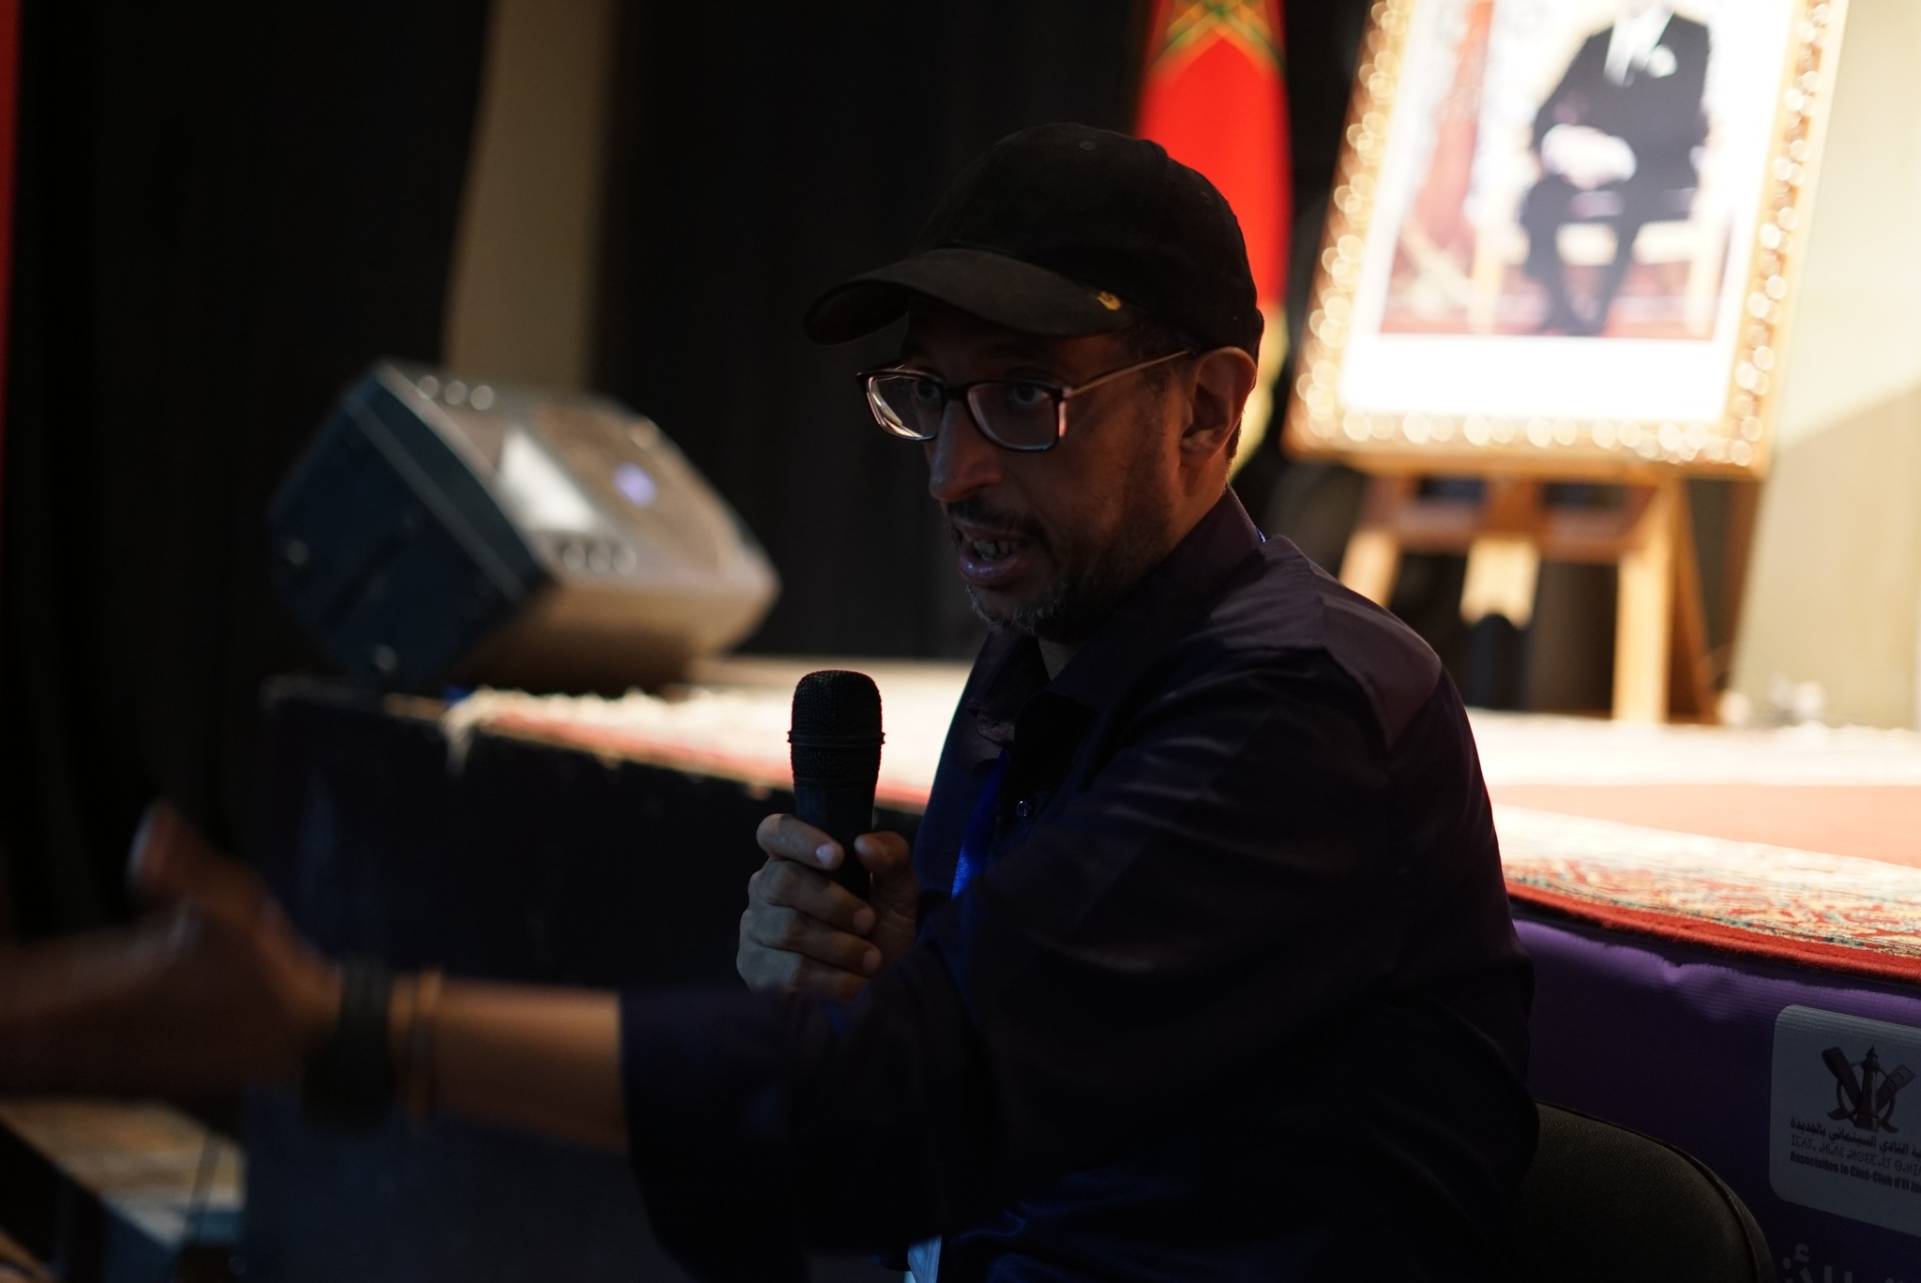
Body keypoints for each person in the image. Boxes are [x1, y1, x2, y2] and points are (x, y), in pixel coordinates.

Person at [1, 124, 1534, 1281]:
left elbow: (917, 1101)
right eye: (931, 397)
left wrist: (348, 1026)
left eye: (1024, 396)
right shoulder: (1046, 647)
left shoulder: (1299, 707)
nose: (955, 471)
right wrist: (899, 965)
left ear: (1207, 407)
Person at [1519, 1, 1711, 335]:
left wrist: (1623, 154)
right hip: (1593, 165)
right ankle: (1561, 307)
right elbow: (1548, 109)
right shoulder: (1598, 41)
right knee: (1539, 198)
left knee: (1636, 200)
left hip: (1655, 166)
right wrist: (1564, 146)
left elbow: (1685, 114)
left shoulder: (1690, 36)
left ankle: (1600, 308)